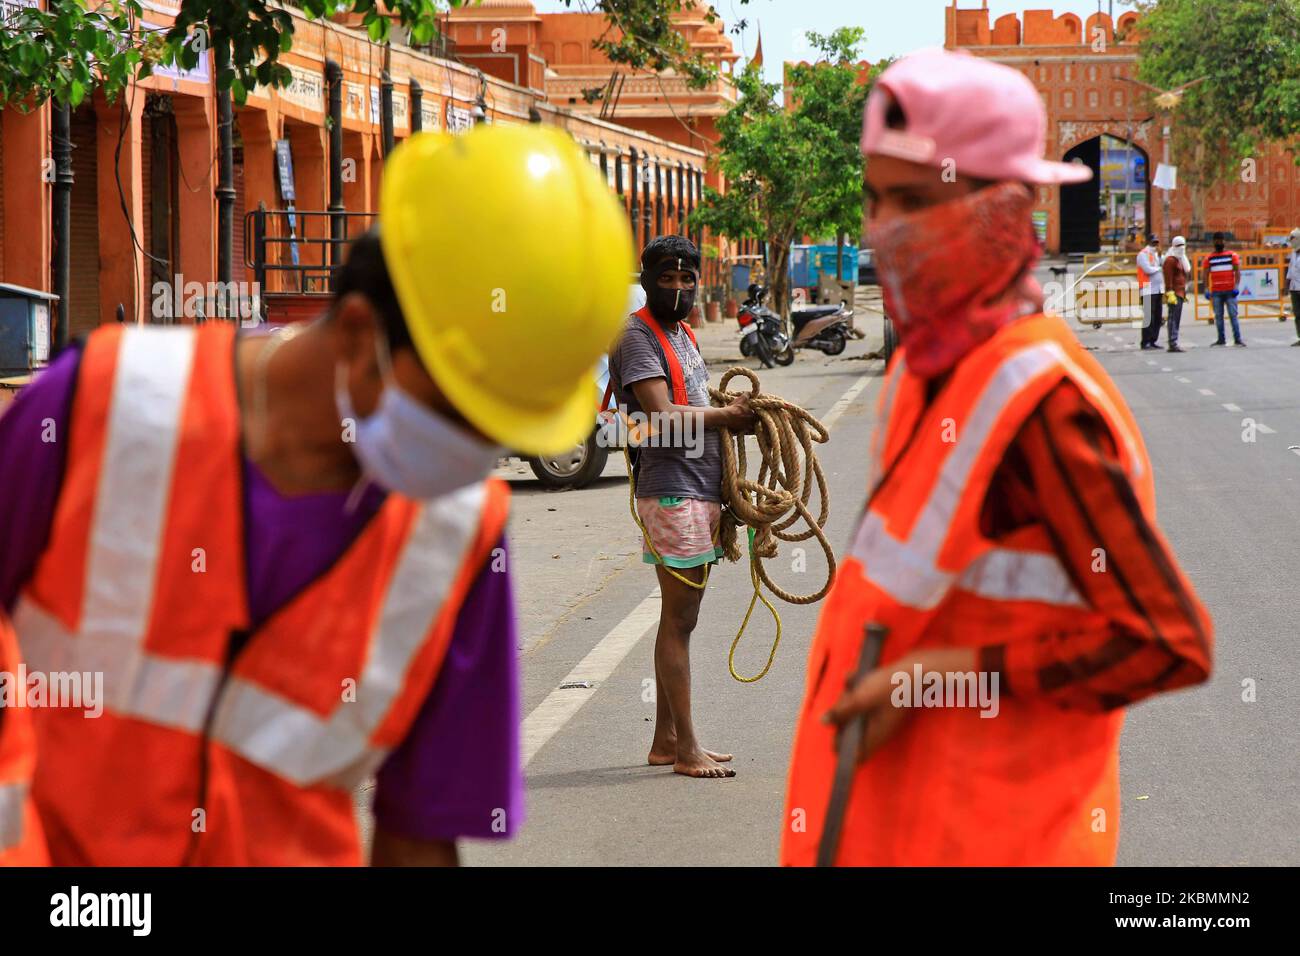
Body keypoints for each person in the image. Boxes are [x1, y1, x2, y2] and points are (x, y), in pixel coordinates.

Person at [0, 124, 634, 866]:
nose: (472, 460)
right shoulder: (99, 407)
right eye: (461, 414)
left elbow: (421, 834)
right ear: (362, 336)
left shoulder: (460, 534)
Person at [781, 48, 1213, 867]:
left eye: (913, 201)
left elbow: (1165, 641)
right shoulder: (927, 369)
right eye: (875, 201)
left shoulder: (1041, 404)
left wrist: (938, 677)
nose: (885, 230)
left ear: (1008, 206)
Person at [608, 235, 753, 779]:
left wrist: (731, 411)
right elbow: (661, 415)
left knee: (681, 617)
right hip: (671, 489)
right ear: (645, 280)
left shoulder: (683, 332)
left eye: (685, 278)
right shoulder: (637, 336)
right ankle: (688, 748)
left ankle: (666, 741)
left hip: (699, 486)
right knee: (679, 617)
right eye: (666, 278)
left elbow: (694, 405)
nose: (677, 287)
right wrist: (726, 420)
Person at [1206, 232, 1244, 347]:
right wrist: (1207, 289)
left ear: (1224, 241)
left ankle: (1237, 338)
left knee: (1233, 315)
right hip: (1216, 291)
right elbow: (1205, 274)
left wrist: (1236, 286)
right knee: (1218, 316)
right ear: (1213, 242)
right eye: (1217, 240)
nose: (1219, 242)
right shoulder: (1209, 258)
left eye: (1221, 240)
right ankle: (1221, 339)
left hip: (1230, 291)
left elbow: (1237, 271)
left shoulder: (1232, 256)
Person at [1162, 235, 1190, 353]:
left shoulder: (1180, 259)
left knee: (1176, 318)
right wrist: (1170, 292)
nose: (1181, 248)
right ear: (1174, 246)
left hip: (1180, 292)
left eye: (1183, 245)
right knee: (1173, 318)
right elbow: (1168, 278)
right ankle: (1172, 343)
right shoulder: (1170, 260)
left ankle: (1174, 341)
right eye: (1179, 245)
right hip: (1174, 293)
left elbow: (1186, 271)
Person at [1136, 233, 1164, 349]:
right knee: (1149, 317)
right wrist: (1159, 268)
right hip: (1147, 289)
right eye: (1154, 242)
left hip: (1158, 289)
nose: (1155, 245)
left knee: (1157, 316)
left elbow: (1162, 264)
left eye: (1157, 242)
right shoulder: (1143, 254)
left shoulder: (1156, 255)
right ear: (1148, 242)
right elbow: (1148, 269)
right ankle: (1145, 341)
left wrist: (1161, 256)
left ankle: (1153, 340)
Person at [1287, 227, 1300, 345]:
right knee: (1297, 314)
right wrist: (1287, 285)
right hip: (1294, 288)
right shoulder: (1293, 253)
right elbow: (1290, 270)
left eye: (1293, 238)